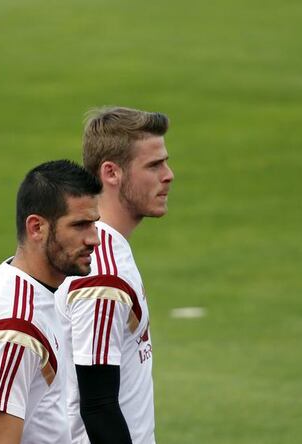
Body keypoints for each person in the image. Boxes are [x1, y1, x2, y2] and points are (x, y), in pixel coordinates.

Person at [0, 160, 102, 444]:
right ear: (37, 227)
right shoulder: (16, 323)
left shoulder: (14, 281)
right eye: (80, 225)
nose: (94, 239)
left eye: (94, 224)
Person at [56, 106, 174, 444]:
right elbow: (98, 407)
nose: (168, 175)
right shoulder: (103, 273)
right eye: (154, 165)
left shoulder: (104, 252)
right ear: (111, 173)